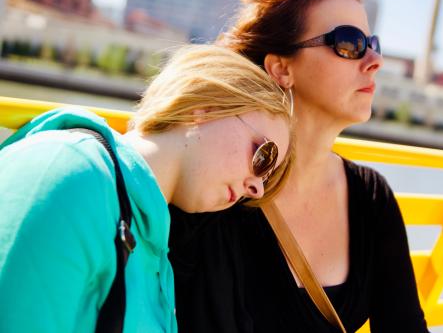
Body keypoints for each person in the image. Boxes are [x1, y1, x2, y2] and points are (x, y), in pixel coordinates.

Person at [169, 0, 429, 332]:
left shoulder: (371, 198)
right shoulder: (216, 186)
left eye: (373, 43)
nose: (374, 60)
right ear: (281, 68)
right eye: (350, 43)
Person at [0, 45, 293, 332]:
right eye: (263, 157)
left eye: (267, 177)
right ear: (204, 107)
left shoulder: (152, 243)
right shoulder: (71, 173)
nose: (257, 188)